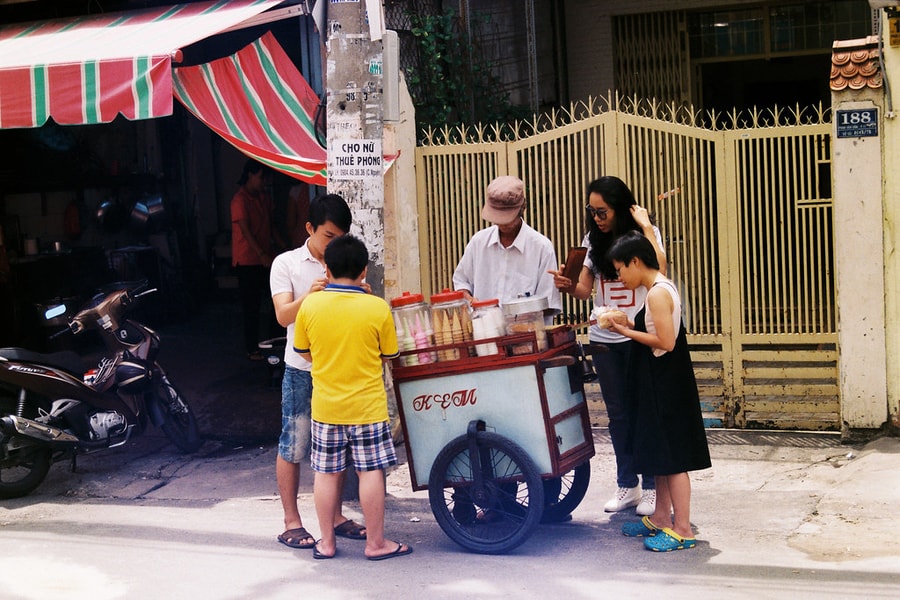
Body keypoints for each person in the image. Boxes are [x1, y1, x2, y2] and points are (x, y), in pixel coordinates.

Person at [549, 176, 666, 516]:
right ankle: (627, 483)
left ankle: (652, 486)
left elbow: (661, 270)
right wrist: (567, 285)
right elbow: (584, 290)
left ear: (620, 208)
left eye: (603, 212)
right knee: (618, 415)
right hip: (604, 338)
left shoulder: (645, 234)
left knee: (645, 411)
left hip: (639, 335)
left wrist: (646, 227)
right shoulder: (592, 240)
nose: (597, 218)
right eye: (592, 211)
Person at [294, 234, 413, 561]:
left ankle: (327, 543)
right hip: (367, 407)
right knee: (370, 471)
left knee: (326, 474)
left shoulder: (310, 305)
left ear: (326, 269)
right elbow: (388, 355)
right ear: (364, 271)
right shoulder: (377, 308)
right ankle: (375, 543)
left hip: (327, 407)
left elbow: (304, 352)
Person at [269, 193, 366, 549]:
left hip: (338, 369)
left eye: (341, 237)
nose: (334, 244)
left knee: (335, 448)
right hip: (301, 370)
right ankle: (291, 521)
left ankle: (335, 516)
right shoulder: (287, 264)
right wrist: (310, 296)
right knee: (294, 444)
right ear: (309, 228)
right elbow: (283, 316)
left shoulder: (347, 260)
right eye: (328, 236)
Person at [606, 231, 711, 551]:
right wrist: (631, 325)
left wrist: (625, 331)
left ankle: (683, 530)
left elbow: (666, 341)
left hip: (667, 385)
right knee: (662, 457)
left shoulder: (657, 294)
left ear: (636, 261)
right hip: (660, 382)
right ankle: (661, 517)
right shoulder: (658, 287)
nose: (619, 277)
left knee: (674, 459)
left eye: (621, 269)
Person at [452, 175, 561, 321]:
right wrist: (470, 300)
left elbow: (547, 303)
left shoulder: (541, 247)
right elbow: (461, 281)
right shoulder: (478, 242)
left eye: (507, 217)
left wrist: (520, 315)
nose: (502, 223)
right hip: (484, 330)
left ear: (522, 208)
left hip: (526, 332)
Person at [231, 159, 284, 360]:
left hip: (265, 258)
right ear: (251, 175)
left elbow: (271, 227)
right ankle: (252, 348)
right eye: (261, 178)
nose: (264, 182)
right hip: (247, 260)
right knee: (251, 306)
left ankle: (274, 341)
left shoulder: (264, 197)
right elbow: (246, 231)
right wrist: (261, 253)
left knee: (276, 300)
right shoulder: (239, 200)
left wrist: (284, 247)